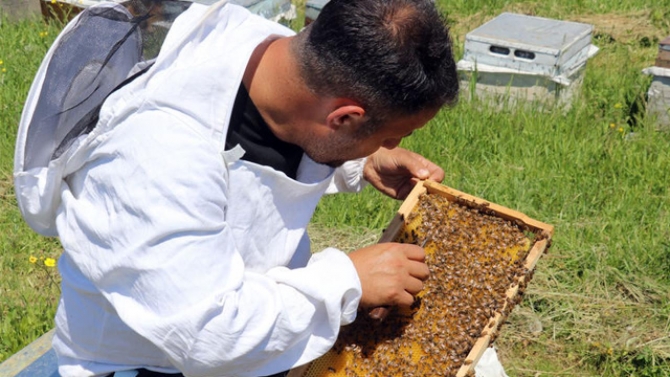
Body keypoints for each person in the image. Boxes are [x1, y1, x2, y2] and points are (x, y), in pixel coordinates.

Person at [14, 0, 507, 376]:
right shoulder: (153, 154)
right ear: (345, 117)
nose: (393, 145)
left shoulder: (277, 56)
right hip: (148, 362)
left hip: (256, 332)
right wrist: (347, 281)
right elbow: (207, 334)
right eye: (387, 135)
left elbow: (273, 146)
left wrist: (364, 158)